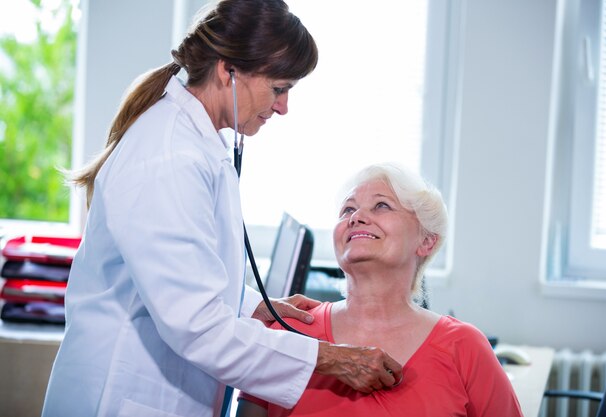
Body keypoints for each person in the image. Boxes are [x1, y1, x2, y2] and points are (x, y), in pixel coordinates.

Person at [41, 2, 403, 416]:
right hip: (121, 397)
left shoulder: (193, 143)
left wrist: (251, 304)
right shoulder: (169, 157)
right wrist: (332, 358)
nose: (283, 107)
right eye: (279, 88)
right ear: (228, 70)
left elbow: (183, 273)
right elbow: (197, 326)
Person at [237, 163, 524, 417]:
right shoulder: (288, 331)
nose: (356, 217)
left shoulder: (465, 347)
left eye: (382, 206)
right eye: (348, 209)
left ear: (426, 241)